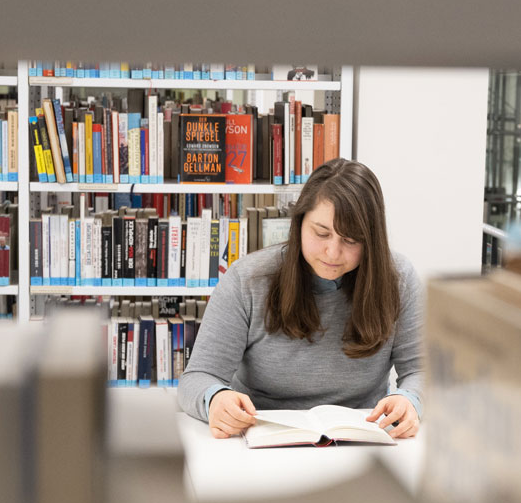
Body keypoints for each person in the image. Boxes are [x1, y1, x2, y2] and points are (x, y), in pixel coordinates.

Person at [176, 158, 424, 440]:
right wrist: (216, 399)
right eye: (321, 233)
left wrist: (411, 400)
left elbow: (422, 371)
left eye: (351, 240)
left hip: (362, 440)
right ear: (299, 222)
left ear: (372, 240)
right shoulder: (247, 280)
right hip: (262, 438)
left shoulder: (399, 280)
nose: (333, 252)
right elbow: (197, 378)